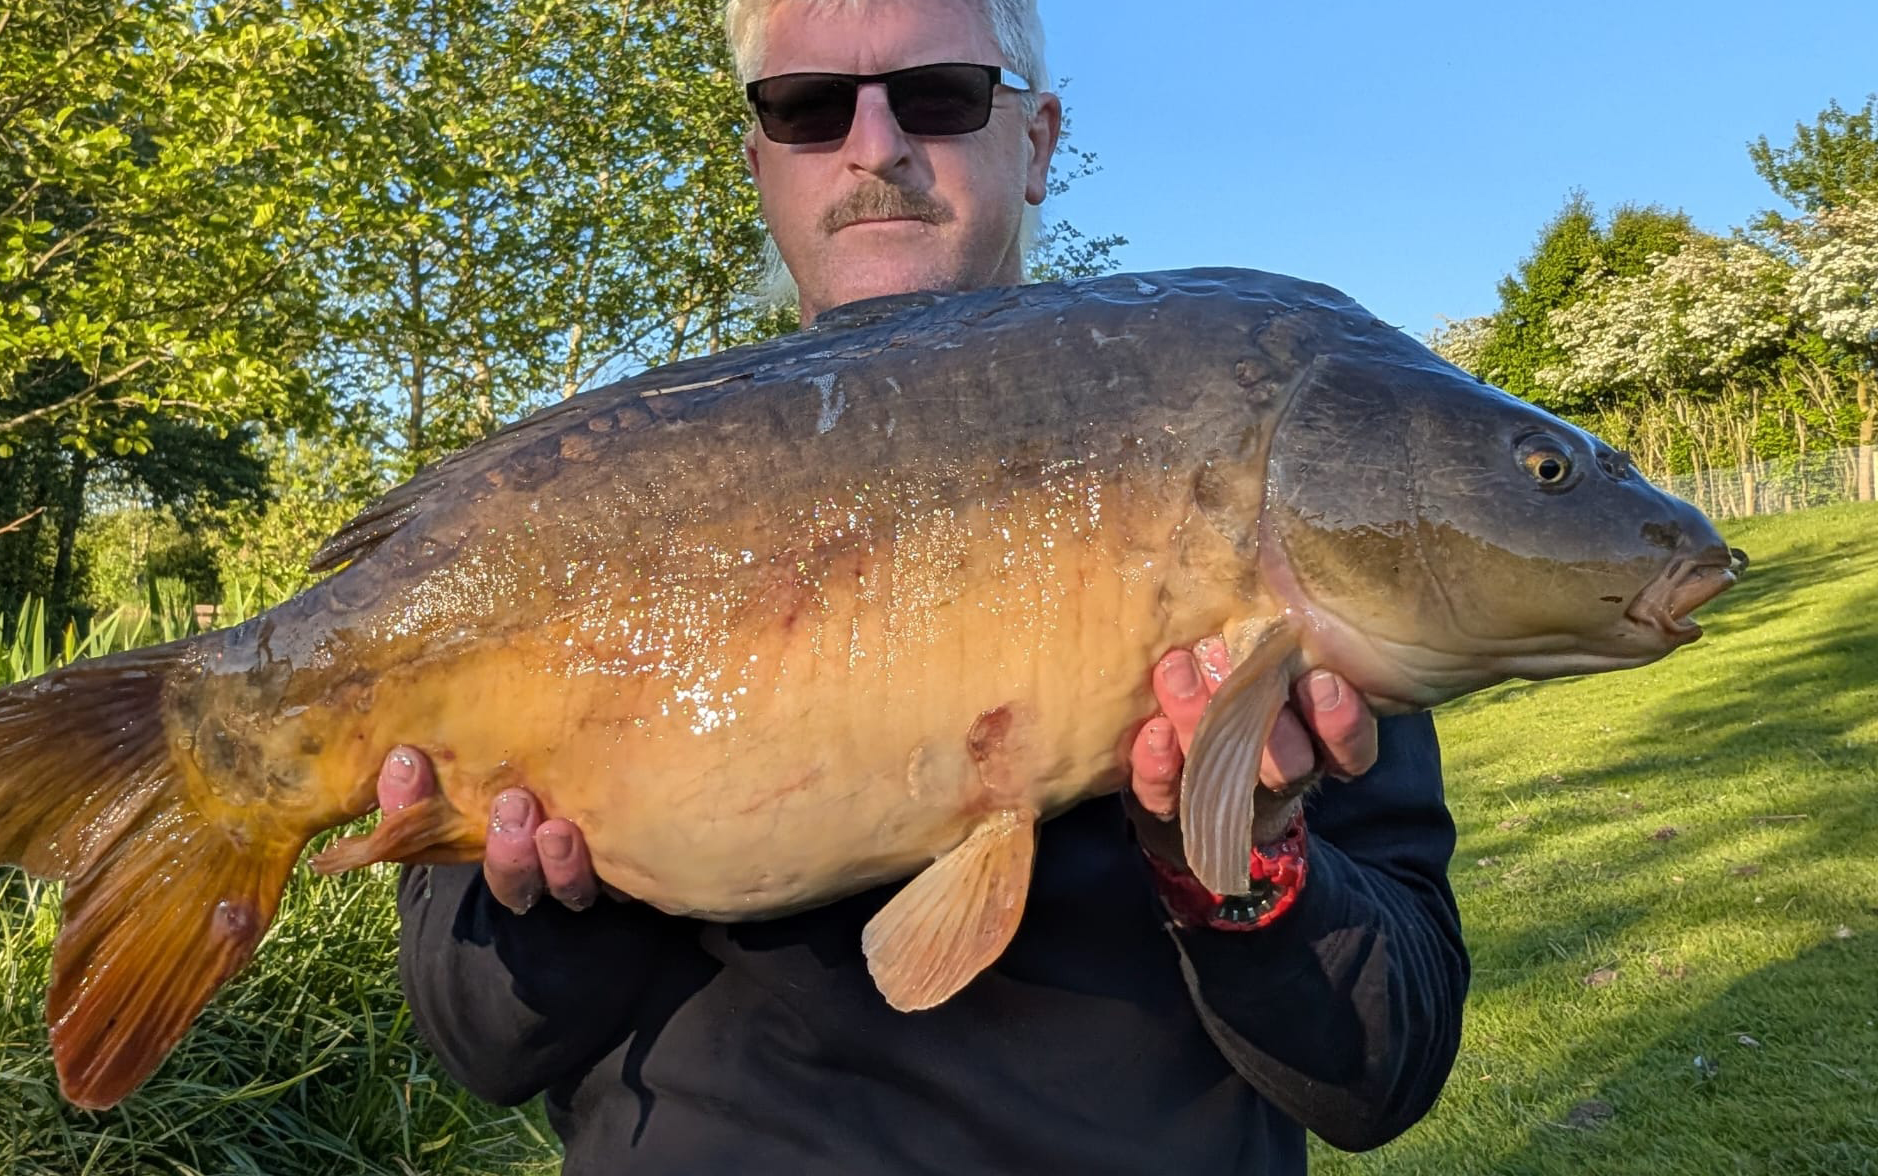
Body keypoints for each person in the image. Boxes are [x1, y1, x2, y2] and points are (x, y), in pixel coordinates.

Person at [383, 1, 1469, 1171]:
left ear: (1038, 138)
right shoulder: (599, 505)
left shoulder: (1246, 472)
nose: (874, 145)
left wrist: (1238, 856)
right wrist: (572, 895)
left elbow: (1382, 1075)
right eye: (806, 109)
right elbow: (482, 1046)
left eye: (937, 95)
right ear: (757, 164)